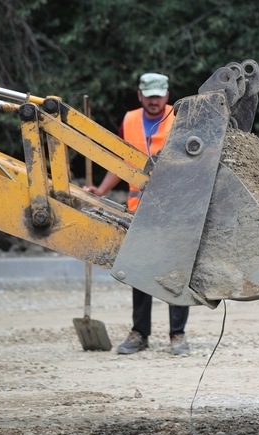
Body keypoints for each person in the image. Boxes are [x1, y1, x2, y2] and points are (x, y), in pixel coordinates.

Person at [85, 72, 190, 356]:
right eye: (149, 96)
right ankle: (139, 333)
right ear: (140, 95)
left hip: (174, 211)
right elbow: (121, 162)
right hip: (139, 213)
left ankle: (177, 335)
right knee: (139, 272)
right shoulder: (130, 120)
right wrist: (101, 191)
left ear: (167, 96)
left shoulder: (180, 119)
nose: (154, 101)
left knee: (175, 273)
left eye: (159, 96)